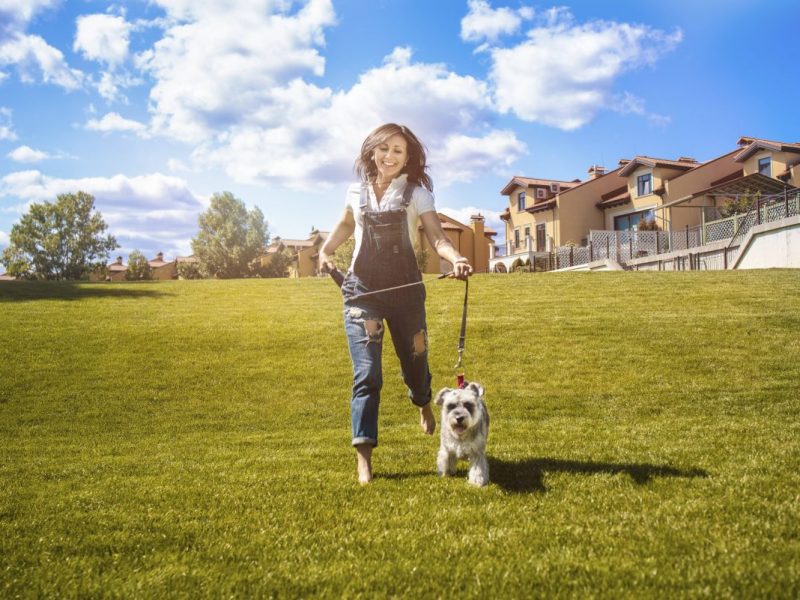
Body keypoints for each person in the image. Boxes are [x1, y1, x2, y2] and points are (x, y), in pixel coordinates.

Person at [319, 123, 473, 484]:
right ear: (372, 151)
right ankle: (364, 458)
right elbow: (343, 227)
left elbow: (437, 238)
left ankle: (422, 402)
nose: (389, 156)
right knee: (367, 374)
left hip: (406, 295)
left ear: (409, 158)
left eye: (398, 151)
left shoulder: (417, 195)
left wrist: (456, 259)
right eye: (384, 148)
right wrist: (326, 250)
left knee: (416, 363)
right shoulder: (355, 192)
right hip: (363, 295)